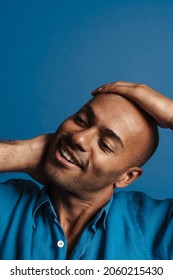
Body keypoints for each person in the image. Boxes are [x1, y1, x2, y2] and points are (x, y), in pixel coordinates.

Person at [0, 81, 172, 260]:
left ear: (126, 177)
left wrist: (170, 114)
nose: (79, 138)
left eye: (104, 144)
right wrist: (21, 153)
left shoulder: (157, 229)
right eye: (81, 121)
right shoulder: (8, 205)